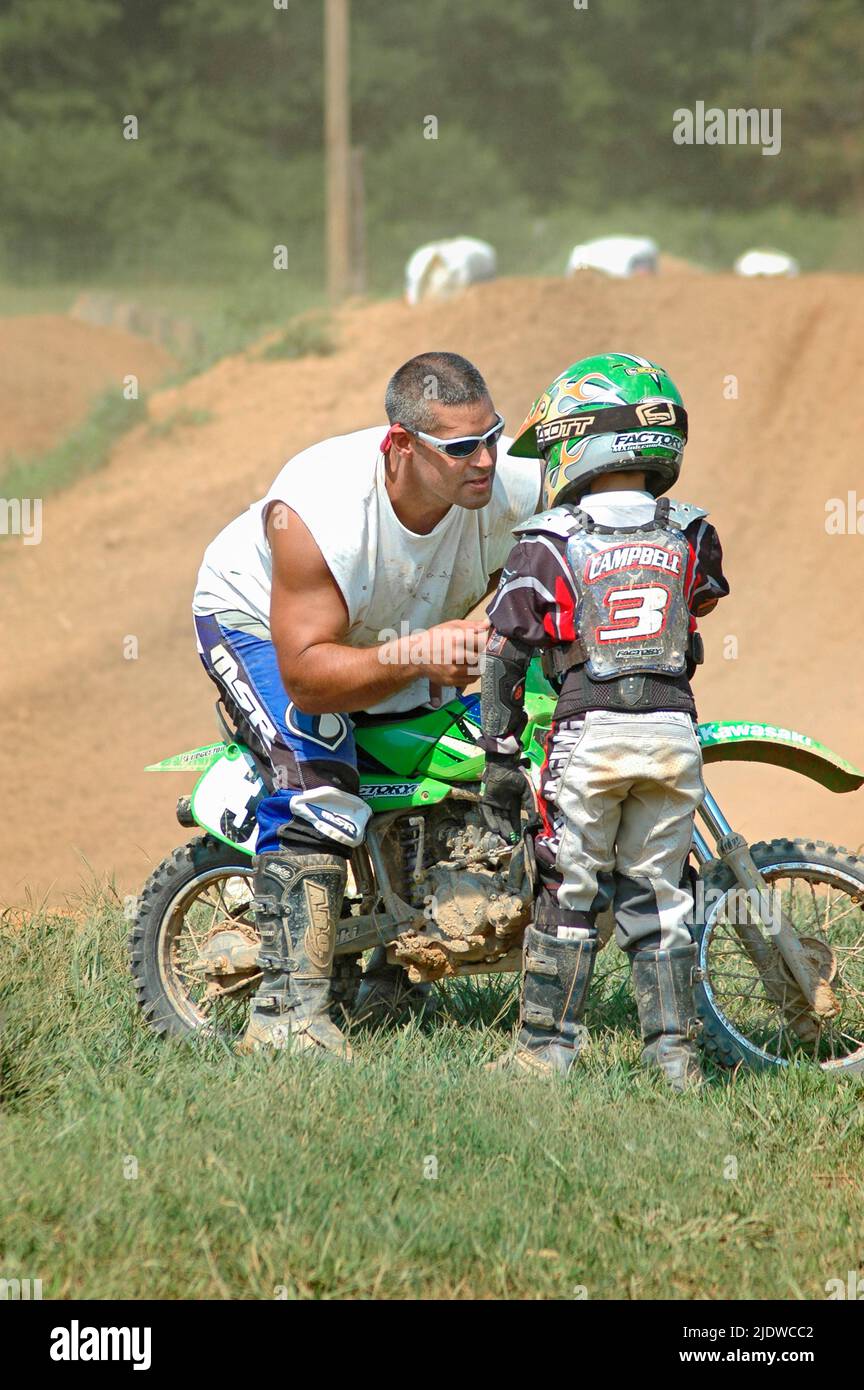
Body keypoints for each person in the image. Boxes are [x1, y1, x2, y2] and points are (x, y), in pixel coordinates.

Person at [192, 351, 541, 1057]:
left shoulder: (508, 486)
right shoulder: (318, 509)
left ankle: (394, 976)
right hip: (268, 631)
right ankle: (286, 1018)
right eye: (461, 446)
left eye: (493, 436)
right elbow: (310, 679)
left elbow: (588, 517)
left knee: (439, 771)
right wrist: (420, 652)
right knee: (320, 783)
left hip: (396, 626)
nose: (484, 460)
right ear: (401, 446)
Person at [478, 352, 729, 1088]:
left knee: (571, 888)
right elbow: (697, 612)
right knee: (660, 891)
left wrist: (499, 753)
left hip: (588, 736)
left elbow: (502, 654)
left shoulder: (547, 539)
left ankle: (544, 1053)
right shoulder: (691, 530)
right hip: (674, 735)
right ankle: (673, 1057)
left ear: (579, 441)